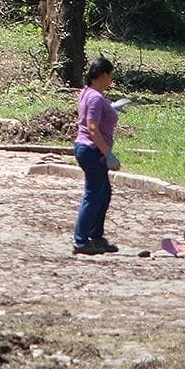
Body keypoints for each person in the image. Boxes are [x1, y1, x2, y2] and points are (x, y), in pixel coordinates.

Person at [73, 56, 121, 255]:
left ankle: (96, 236)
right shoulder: (94, 97)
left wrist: (111, 108)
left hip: (88, 149)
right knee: (93, 194)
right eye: (110, 75)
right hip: (92, 151)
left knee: (103, 193)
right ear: (102, 75)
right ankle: (81, 241)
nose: (111, 79)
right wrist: (107, 153)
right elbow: (92, 128)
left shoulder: (88, 93)